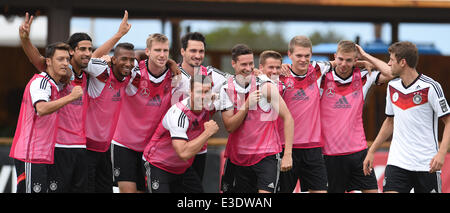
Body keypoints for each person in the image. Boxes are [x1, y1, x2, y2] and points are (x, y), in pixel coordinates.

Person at [18, 11, 131, 192]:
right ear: (71, 51)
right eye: (82, 49)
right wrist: (25, 39)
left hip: (80, 146)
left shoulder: (86, 72)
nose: (87, 53)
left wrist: (119, 35)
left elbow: (92, 56)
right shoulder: (63, 72)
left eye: (89, 49)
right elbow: (39, 60)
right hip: (58, 146)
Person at [363, 41, 450, 193]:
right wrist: (372, 150)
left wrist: (442, 153)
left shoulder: (430, 87)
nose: (388, 64)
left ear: (403, 62)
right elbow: (389, 121)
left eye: (391, 60)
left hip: (426, 164)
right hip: (398, 162)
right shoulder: (392, 86)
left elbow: (448, 121)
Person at [111, 33, 184, 193]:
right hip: (125, 143)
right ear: (148, 51)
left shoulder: (176, 76)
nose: (162, 54)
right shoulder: (134, 72)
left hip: (152, 147)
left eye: (165, 50)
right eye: (157, 50)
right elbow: (116, 65)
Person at [320, 40, 393, 193]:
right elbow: (302, 68)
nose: (344, 64)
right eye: (340, 59)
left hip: (359, 153)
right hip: (330, 155)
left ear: (355, 60)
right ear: (335, 57)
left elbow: (391, 73)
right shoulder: (322, 78)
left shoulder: (364, 76)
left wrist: (366, 56)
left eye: (348, 60)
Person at [219, 44, 294, 193]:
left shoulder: (266, 86)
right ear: (233, 64)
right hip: (238, 157)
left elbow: (288, 118)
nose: (248, 68)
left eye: (250, 64)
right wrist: (246, 105)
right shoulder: (226, 88)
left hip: (266, 156)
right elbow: (229, 127)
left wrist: (288, 155)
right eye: (243, 64)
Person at [10, 42, 83, 193]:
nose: (65, 63)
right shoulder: (41, 82)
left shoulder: (56, 84)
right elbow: (41, 108)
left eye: (67, 60)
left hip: (43, 156)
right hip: (29, 155)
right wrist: (71, 97)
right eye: (60, 59)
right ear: (48, 61)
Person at [142, 75, 219, 193]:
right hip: (158, 165)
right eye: (199, 92)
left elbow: (236, 96)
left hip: (181, 168)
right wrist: (207, 133)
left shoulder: (209, 104)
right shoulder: (179, 114)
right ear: (190, 92)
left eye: (207, 92)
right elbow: (183, 153)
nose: (203, 96)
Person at [178, 32, 232, 193]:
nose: (197, 55)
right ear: (182, 51)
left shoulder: (212, 74)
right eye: (193, 51)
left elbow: (237, 82)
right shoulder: (171, 73)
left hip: (199, 148)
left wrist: (257, 75)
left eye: (201, 51)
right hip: (170, 148)